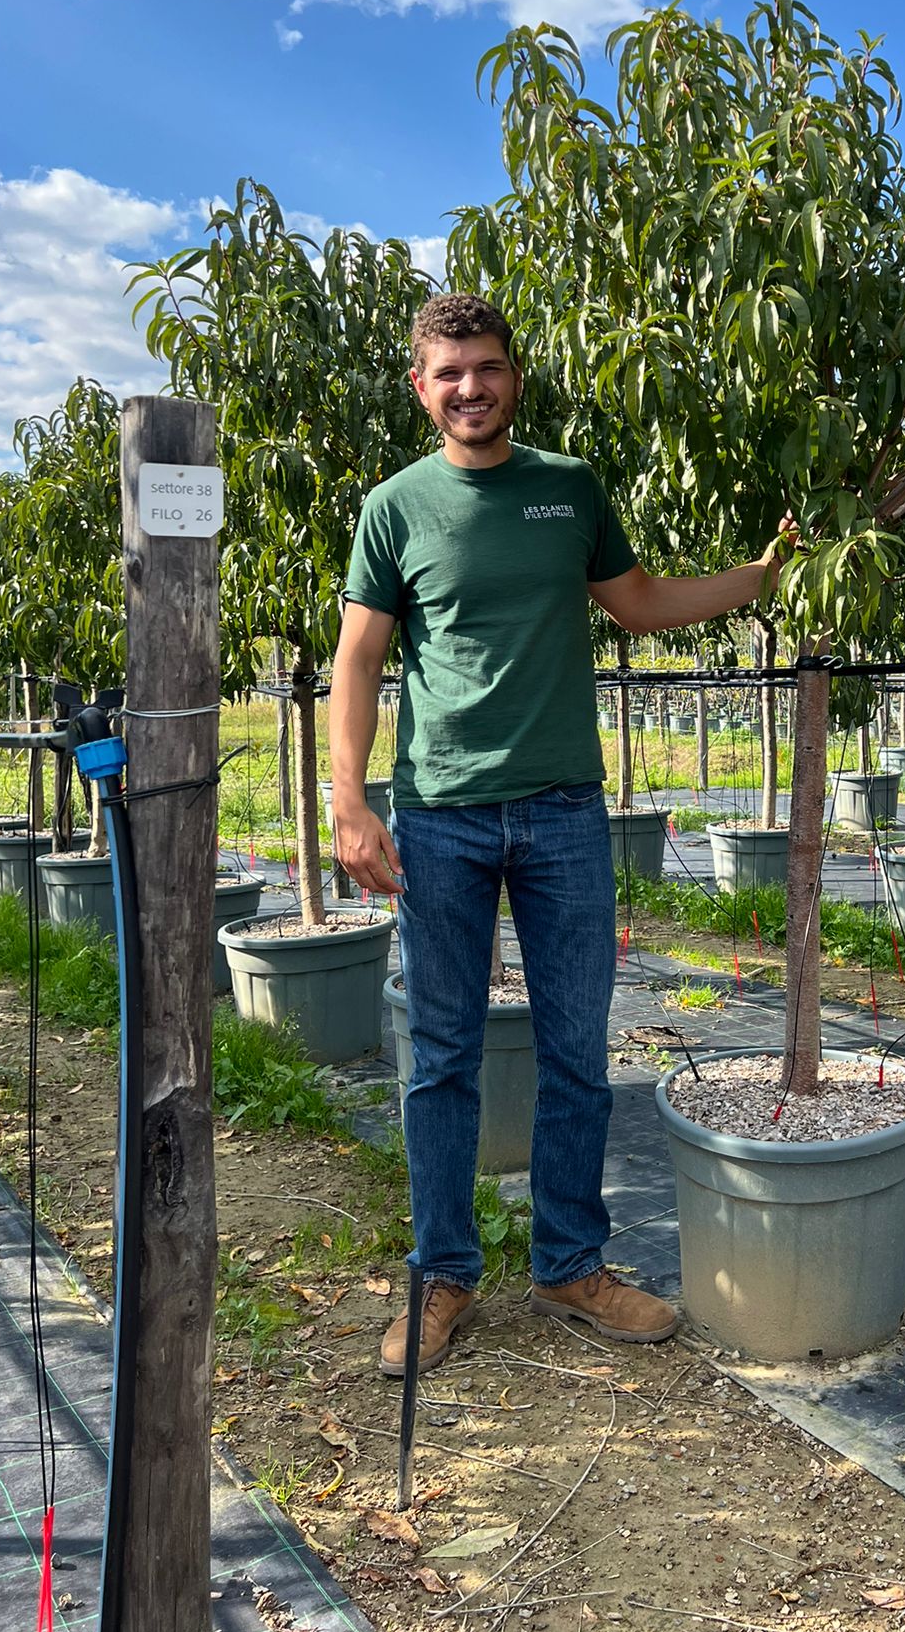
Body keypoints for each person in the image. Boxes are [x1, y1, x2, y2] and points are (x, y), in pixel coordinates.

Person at [330, 292, 793, 1377]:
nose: (470, 388)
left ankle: (570, 1262)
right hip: (438, 815)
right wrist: (350, 801)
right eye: (448, 373)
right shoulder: (395, 507)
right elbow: (357, 658)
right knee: (439, 1056)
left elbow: (638, 600)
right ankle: (442, 1274)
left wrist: (761, 577)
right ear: (420, 385)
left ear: (514, 376)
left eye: (485, 368)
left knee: (579, 1048)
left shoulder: (568, 488)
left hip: (565, 815)